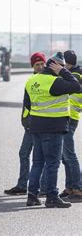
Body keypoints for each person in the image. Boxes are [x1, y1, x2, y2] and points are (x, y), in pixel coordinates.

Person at [25, 52, 80, 208]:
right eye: (61, 66)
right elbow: (76, 85)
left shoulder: (32, 80)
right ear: (55, 66)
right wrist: (63, 72)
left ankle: (32, 196)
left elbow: (28, 104)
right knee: (52, 164)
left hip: (36, 127)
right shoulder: (55, 82)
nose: (63, 69)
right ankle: (51, 197)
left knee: (37, 163)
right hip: (53, 127)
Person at [4, 52, 46, 195]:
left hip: (43, 124)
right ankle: (22, 185)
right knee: (24, 154)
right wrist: (25, 120)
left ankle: (42, 187)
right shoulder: (31, 80)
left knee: (41, 158)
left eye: (42, 64)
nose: (40, 67)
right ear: (32, 66)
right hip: (30, 124)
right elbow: (26, 104)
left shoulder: (49, 79)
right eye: (37, 64)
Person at [59, 50, 82, 201]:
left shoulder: (75, 75)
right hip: (66, 116)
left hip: (70, 117)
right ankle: (69, 187)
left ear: (68, 63)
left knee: (69, 154)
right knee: (65, 156)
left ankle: (78, 189)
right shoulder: (72, 73)